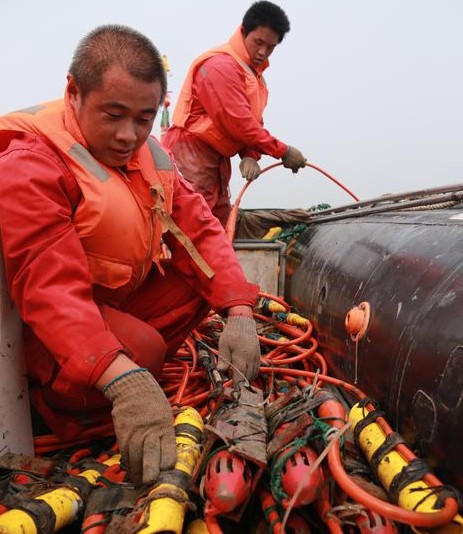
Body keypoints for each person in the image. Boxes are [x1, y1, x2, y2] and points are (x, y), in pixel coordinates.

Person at [0, 24, 262, 486]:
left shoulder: (149, 156)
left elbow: (201, 230)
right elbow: (50, 290)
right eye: (114, 114)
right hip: (37, 326)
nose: (128, 136)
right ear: (74, 92)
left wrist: (239, 311)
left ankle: (111, 377)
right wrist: (122, 376)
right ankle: (56, 415)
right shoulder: (31, 161)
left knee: (200, 286)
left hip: (105, 301)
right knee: (143, 349)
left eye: (144, 118)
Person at [162, 1, 307, 226]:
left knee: (218, 222)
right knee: (193, 223)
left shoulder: (253, 76)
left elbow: (253, 120)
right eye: (258, 42)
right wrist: (283, 151)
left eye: (270, 47)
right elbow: (236, 121)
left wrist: (250, 154)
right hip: (191, 154)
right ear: (243, 32)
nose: (263, 52)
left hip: (217, 160)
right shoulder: (221, 66)